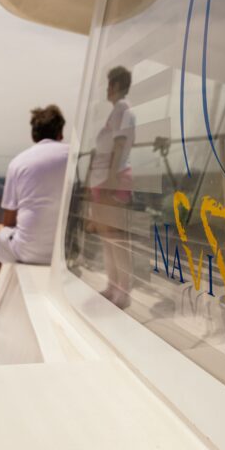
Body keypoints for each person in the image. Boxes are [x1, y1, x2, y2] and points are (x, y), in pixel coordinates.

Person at [0, 105, 69, 323]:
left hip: (29, 251)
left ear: (33, 134)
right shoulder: (75, 157)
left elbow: (8, 222)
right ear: (61, 133)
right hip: (67, 252)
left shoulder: (18, 162)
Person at [88, 66, 136, 308]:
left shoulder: (122, 109)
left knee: (116, 239)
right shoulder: (117, 111)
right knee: (108, 238)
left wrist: (110, 182)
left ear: (116, 86)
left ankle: (123, 291)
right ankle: (113, 285)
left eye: (109, 84)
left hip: (112, 180)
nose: (107, 89)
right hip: (104, 180)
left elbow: (118, 148)